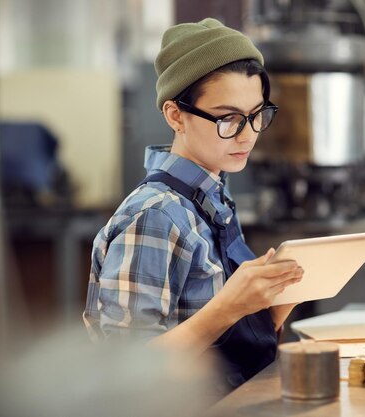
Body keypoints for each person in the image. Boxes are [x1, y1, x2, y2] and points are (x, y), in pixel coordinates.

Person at [83, 18, 303, 391]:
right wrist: (230, 307)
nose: (247, 135)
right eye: (229, 118)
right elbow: (126, 375)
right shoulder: (155, 215)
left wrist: (268, 312)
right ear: (175, 115)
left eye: (256, 115)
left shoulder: (212, 196)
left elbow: (217, 344)